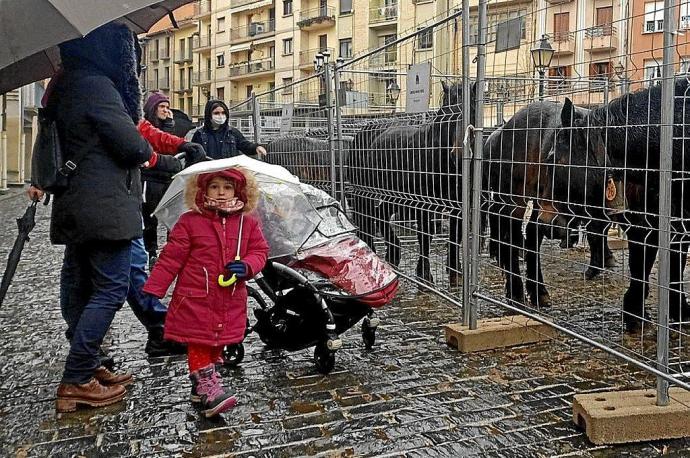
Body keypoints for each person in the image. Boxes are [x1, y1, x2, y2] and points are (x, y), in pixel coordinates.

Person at [40, 21, 153, 413]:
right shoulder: (96, 85)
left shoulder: (66, 84)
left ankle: (91, 365)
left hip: (77, 203)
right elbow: (132, 146)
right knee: (110, 289)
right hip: (103, 206)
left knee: (80, 286)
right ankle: (77, 379)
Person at [143, 167, 269, 417]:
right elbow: (171, 257)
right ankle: (209, 390)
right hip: (196, 297)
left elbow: (260, 252)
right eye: (214, 186)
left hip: (230, 297)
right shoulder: (190, 221)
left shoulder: (247, 223)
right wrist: (155, 287)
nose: (221, 193)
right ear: (202, 190)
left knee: (216, 344)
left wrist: (247, 266)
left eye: (227, 187)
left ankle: (199, 386)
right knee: (200, 342)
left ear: (239, 190)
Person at [141, 92, 178, 267]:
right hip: (150, 178)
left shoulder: (169, 125)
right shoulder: (146, 128)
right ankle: (151, 252)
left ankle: (172, 251)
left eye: (167, 107)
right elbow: (156, 145)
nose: (165, 110)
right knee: (150, 218)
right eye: (162, 107)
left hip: (167, 178)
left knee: (173, 217)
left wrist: (169, 126)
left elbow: (170, 147)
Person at [191, 99, 267, 160]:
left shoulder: (233, 132)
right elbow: (192, 156)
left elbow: (244, 145)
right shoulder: (199, 134)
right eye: (216, 113)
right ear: (209, 115)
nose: (220, 116)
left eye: (223, 113)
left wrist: (256, 147)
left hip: (229, 172)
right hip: (207, 173)